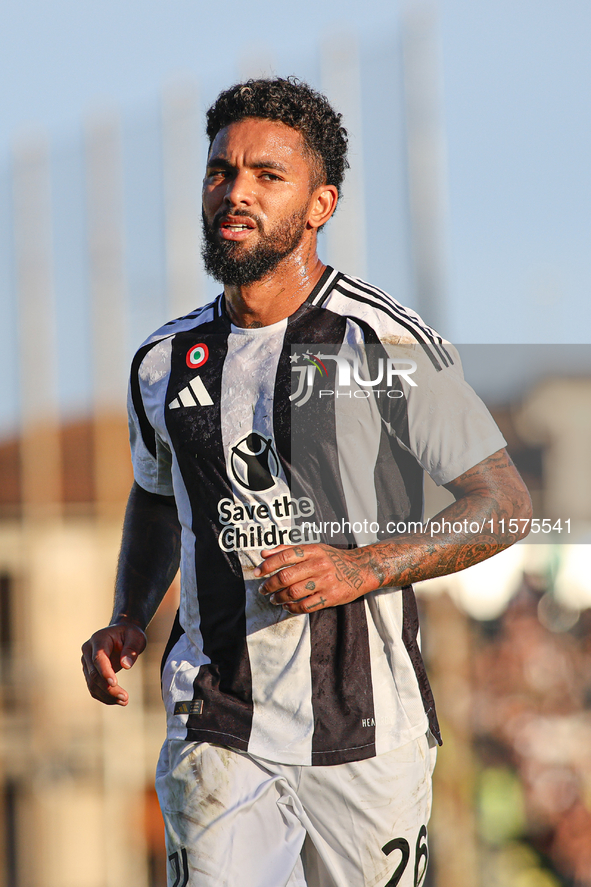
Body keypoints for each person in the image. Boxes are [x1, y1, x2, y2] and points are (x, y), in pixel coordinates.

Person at [81, 77, 532, 887]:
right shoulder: (162, 360)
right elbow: (156, 493)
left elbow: (503, 505)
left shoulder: (383, 342)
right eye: (221, 171)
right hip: (215, 711)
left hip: (364, 723)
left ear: (320, 204)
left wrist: (359, 567)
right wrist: (127, 613)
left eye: (266, 175)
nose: (235, 193)